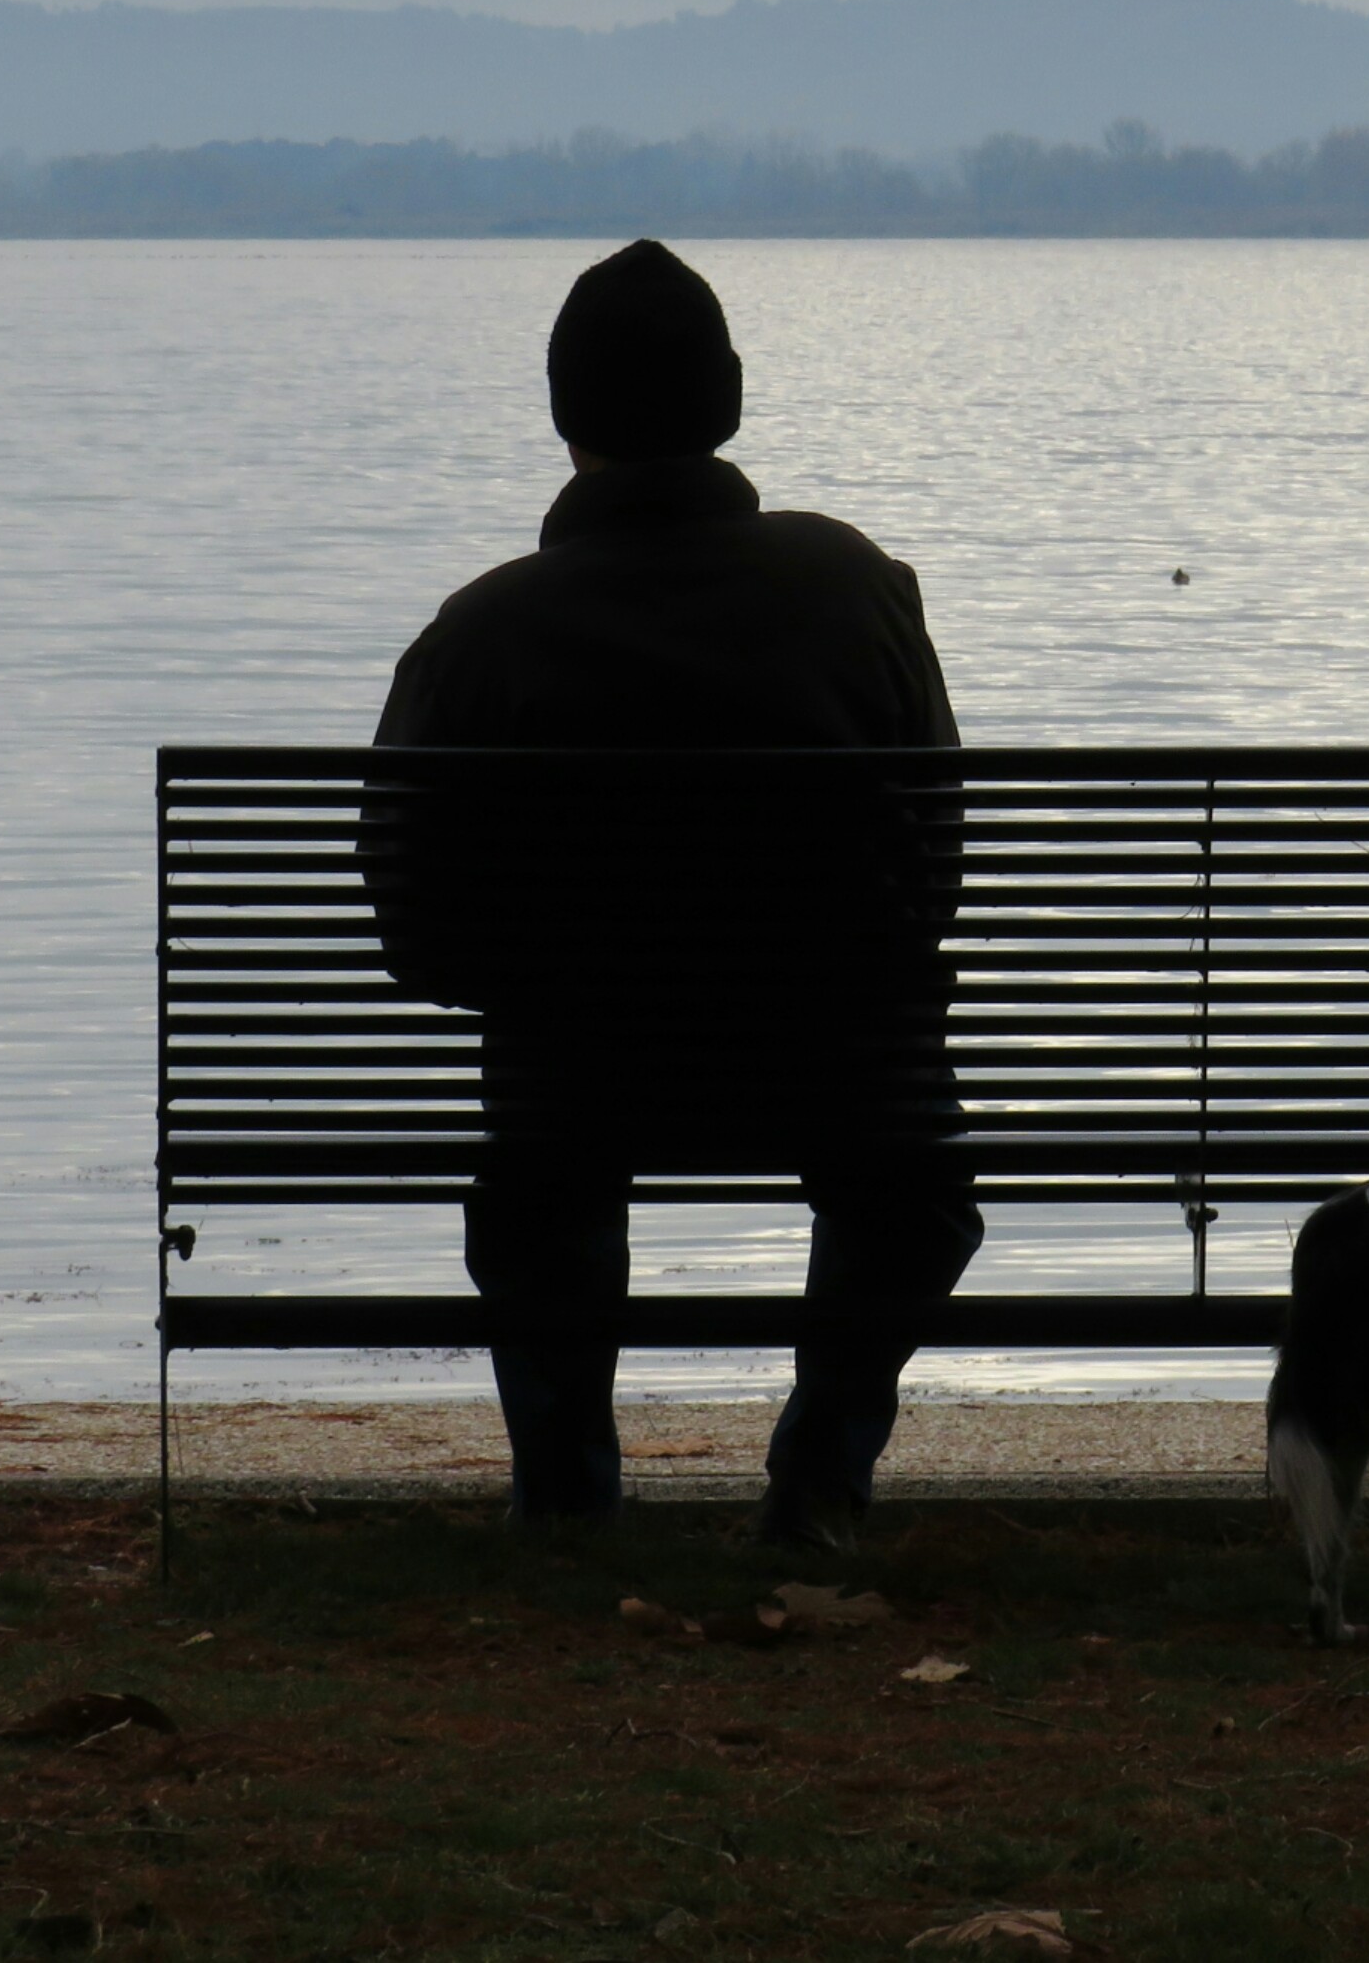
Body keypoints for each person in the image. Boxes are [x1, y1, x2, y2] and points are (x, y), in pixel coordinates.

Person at [371, 241, 981, 1548]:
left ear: (562, 413)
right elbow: (937, 870)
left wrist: (550, 970)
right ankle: (819, 1474)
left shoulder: (481, 630)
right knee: (911, 1183)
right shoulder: (857, 589)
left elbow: (410, 926)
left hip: (574, 1078)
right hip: (836, 1065)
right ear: (729, 397)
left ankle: (568, 1493)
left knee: (539, 1183)